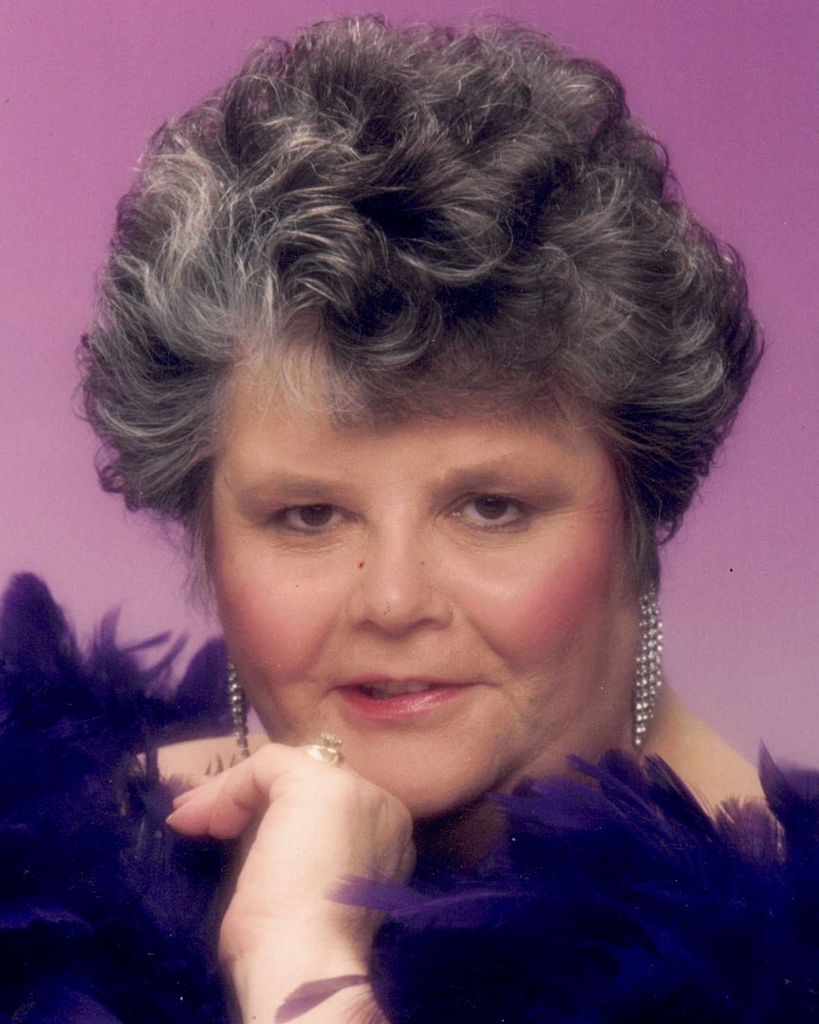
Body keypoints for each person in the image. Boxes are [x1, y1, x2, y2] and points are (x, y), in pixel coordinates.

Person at [2, 15, 817, 1024]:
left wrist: (297, 956)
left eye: (489, 508)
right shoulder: (52, 877)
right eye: (308, 515)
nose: (392, 600)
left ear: (642, 516)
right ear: (205, 537)